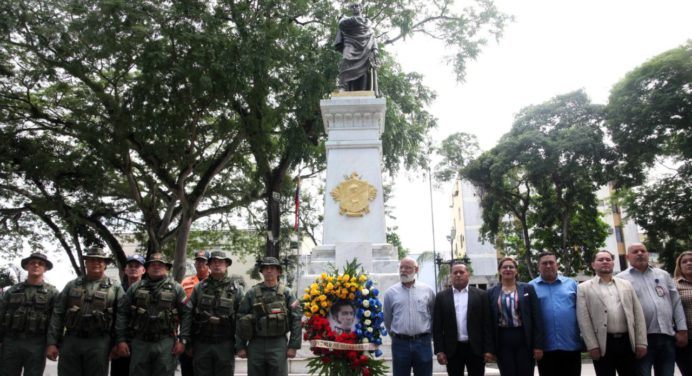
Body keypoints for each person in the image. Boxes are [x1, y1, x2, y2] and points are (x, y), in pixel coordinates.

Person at [46, 247, 125, 376]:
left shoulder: (115, 287)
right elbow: (58, 313)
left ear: (105, 264)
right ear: (86, 263)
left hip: (99, 342)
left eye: (100, 261)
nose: (96, 263)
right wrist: (52, 343)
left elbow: (121, 316)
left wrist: (119, 341)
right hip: (72, 340)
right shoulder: (72, 285)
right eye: (91, 260)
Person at [115, 252, 190, 376]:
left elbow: (186, 315)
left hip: (165, 342)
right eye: (153, 265)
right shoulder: (135, 288)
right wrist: (121, 340)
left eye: (160, 265)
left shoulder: (176, 288)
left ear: (166, 268)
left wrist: (183, 340)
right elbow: (122, 313)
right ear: (147, 268)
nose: (156, 267)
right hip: (140, 342)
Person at [617, 243, 688, 376]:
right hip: (642, 340)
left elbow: (676, 302)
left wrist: (682, 330)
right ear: (627, 257)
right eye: (635, 251)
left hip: (667, 336)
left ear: (647, 254)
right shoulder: (620, 279)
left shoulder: (663, 275)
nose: (639, 253)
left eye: (642, 251)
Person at [577, 250, 647, 376]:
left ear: (613, 263)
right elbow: (584, 320)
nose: (605, 262)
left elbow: (638, 314)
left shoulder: (626, 285)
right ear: (593, 265)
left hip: (627, 342)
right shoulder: (584, 288)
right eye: (600, 260)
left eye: (608, 259)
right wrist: (592, 345)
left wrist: (641, 342)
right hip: (603, 344)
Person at [236, 257, 301, 376]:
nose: (269, 271)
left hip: (278, 343)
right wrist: (240, 345)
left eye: (272, 268)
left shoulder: (287, 293)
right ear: (262, 271)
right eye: (266, 268)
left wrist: (293, 346)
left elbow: (296, 319)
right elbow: (240, 318)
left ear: (278, 271)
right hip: (256, 343)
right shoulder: (252, 293)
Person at [184, 251, 243, 376]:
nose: (217, 265)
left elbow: (242, 317)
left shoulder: (237, 289)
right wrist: (186, 340)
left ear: (227, 264)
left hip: (225, 343)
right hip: (202, 343)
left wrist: (241, 344)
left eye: (221, 262)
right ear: (209, 265)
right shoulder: (199, 288)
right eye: (214, 262)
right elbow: (188, 313)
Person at [0, 253, 58, 376]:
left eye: (40, 264)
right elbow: (1, 314)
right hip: (11, 341)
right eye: (32, 263)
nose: (36, 265)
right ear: (26, 266)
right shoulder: (12, 291)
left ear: (45, 268)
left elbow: (55, 320)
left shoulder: (52, 293)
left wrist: (52, 344)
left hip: (37, 343)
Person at [432, 263, 492, 376]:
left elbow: (487, 324)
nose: (458, 275)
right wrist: (439, 350)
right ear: (451, 275)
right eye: (455, 272)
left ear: (468, 274)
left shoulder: (481, 295)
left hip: (475, 348)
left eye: (461, 272)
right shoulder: (441, 297)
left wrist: (488, 349)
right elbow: (437, 327)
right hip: (452, 350)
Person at [487, 257, 544, 376]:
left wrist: (538, 345)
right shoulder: (491, 292)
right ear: (499, 270)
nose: (508, 269)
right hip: (502, 339)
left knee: (525, 372)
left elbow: (536, 318)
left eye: (511, 267)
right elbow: (488, 323)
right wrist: (489, 349)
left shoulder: (528, 288)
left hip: (524, 338)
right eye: (504, 267)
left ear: (516, 271)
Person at [529, 252, 583, 376]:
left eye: (551, 262)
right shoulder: (530, 287)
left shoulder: (572, 284)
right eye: (544, 263)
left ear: (557, 265)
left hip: (571, 345)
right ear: (538, 266)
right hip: (545, 348)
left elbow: (582, 312)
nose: (548, 266)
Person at [384, 257, 436, 376]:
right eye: (401, 267)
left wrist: (428, 336)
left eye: (407, 267)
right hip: (400, 343)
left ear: (416, 269)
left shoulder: (427, 290)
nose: (403, 270)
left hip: (423, 342)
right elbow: (387, 319)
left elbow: (433, 315)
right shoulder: (390, 293)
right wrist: (395, 335)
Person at [110, 254, 145, 376]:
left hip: (141, 343)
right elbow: (111, 318)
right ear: (125, 270)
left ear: (143, 270)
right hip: (120, 343)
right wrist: (114, 344)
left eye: (137, 266)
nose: (133, 268)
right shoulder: (115, 290)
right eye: (130, 266)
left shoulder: (150, 291)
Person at [334, 3, 378, 93]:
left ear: (361, 8)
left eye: (356, 6)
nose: (354, 8)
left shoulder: (367, 22)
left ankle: (362, 89)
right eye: (352, 6)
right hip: (350, 43)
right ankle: (342, 86)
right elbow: (341, 25)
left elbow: (372, 36)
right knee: (345, 60)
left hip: (365, 47)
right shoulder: (346, 21)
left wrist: (375, 49)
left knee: (365, 69)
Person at [180, 250, 210, 376]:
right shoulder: (186, 282)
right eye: (198, 261)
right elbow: (181, 305)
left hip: (207, 331)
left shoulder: (214, 282)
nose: (200, 264)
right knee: (188, 366)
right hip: (189, 328)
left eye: (204, 261)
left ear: (209, 263)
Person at [673, 251, 692, 375]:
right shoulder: (674, 285)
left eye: (691, 260)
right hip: (686, 338)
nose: (689, 263)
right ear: (679, 266)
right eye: (684, 261)